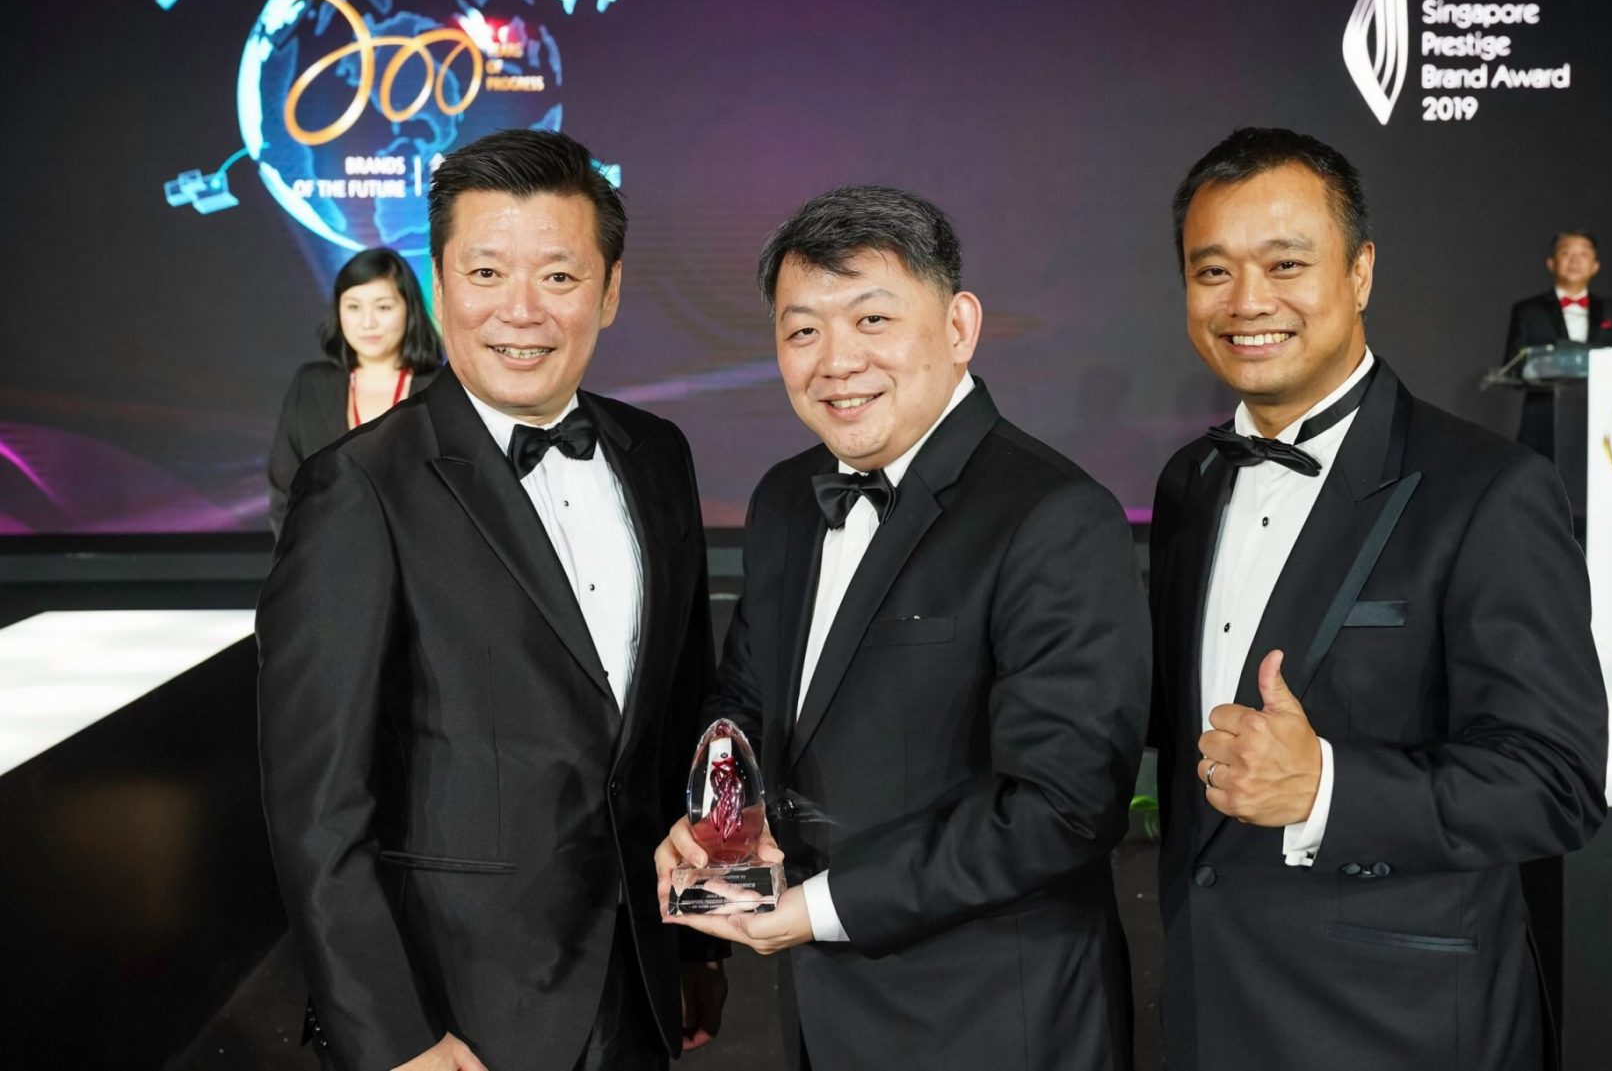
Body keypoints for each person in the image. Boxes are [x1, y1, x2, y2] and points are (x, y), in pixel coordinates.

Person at [258, 129, 725, 1071]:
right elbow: (317, 805)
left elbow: (681, 719)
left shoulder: (658, 456)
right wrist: (394, 1038)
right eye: (485, 272)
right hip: (455, 1011)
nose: (521, 310)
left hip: (637, 981)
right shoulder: (359, 486)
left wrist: (696, 943)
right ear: (438, 284)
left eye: (559, 276)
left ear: (610, 289)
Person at [654, 186, 1150, 1070]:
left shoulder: (1053, 514)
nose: (836, 361)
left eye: (872, 319)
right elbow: (747, 699)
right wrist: (713, 826)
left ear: (959, 326)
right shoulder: (785, 497)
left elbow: (1063, 806)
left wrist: (819, 907)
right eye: (802, 330)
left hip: (994, 1020)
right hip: (822, 1013)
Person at [1150, 128, 1608, 1071]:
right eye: (1213, 271)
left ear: (1359, 273)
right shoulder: (1190, 480)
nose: (1247, 302)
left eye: (1286, 264)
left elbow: (1555, 782)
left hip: (1396, 1020)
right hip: (1207, 1000)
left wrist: (1327, 788)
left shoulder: (1491, 489)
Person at [267, 247, 444, 533]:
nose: (367, 322)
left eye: (383, 307)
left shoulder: (442, 389)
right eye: (353, 307)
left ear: (409, 309)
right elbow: (284, 494)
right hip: (323, 557)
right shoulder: (310, 385)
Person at [1502, 230, 1612, 458]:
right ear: (1551, 263)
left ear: (1595, 266)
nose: (1575, 260)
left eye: (1583, 254)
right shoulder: (1528, 310)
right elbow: (1514, 364)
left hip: (1600, 416)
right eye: (1566, 253)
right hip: (1544, 418)